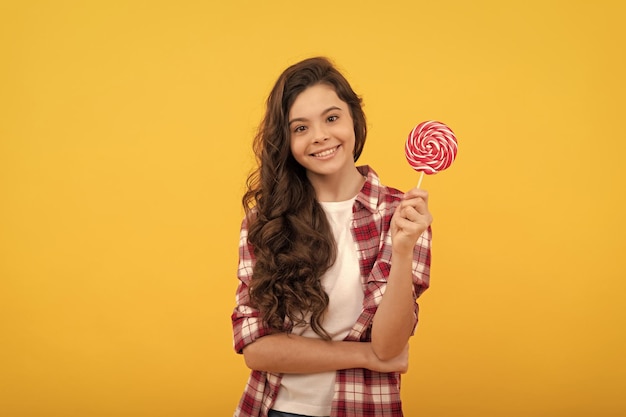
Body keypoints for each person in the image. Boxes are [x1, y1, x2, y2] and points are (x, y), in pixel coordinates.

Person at [231, 56, 433, 417]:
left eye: (332, 117)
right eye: (300, 128)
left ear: (354, 117)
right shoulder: (265, 221)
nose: (320, 135)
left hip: (364, 408)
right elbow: (256, 349)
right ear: (287, 140)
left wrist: (402, 251)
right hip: (275, 408)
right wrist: (365, 356)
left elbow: (390, 345)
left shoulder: (400, 214)